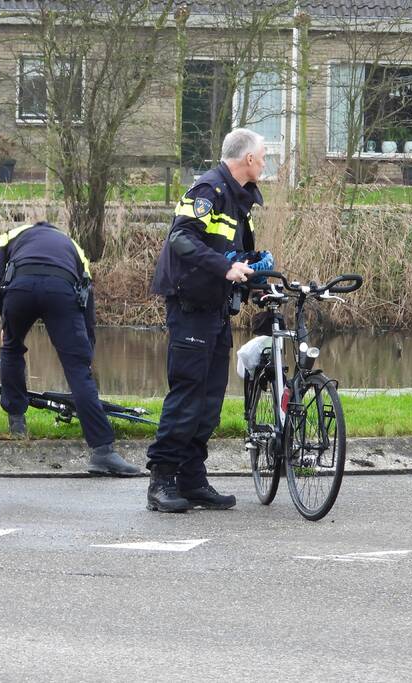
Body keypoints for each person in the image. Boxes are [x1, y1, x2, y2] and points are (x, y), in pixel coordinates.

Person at [145, 128, 270, 512]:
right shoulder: (208, 191)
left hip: (215, 308)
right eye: (264, 156)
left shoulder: (239, 200)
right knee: (187, 394)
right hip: (191, 307)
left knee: (210, 399)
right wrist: (224, 267)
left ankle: (192, 479)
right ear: (248, 158)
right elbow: (181, 238)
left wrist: (257, 278)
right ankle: (162, 480)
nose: (265, 163)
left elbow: (233, 253)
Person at [0, 221, 141, 477]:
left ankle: (17, 422)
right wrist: (86, 351)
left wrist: (6, 320)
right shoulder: (72, 245)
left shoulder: (11, 236)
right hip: (61, 290)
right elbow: (86, 297)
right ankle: (103, 452)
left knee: (11, 348)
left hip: (20, 288)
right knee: (78, 370)